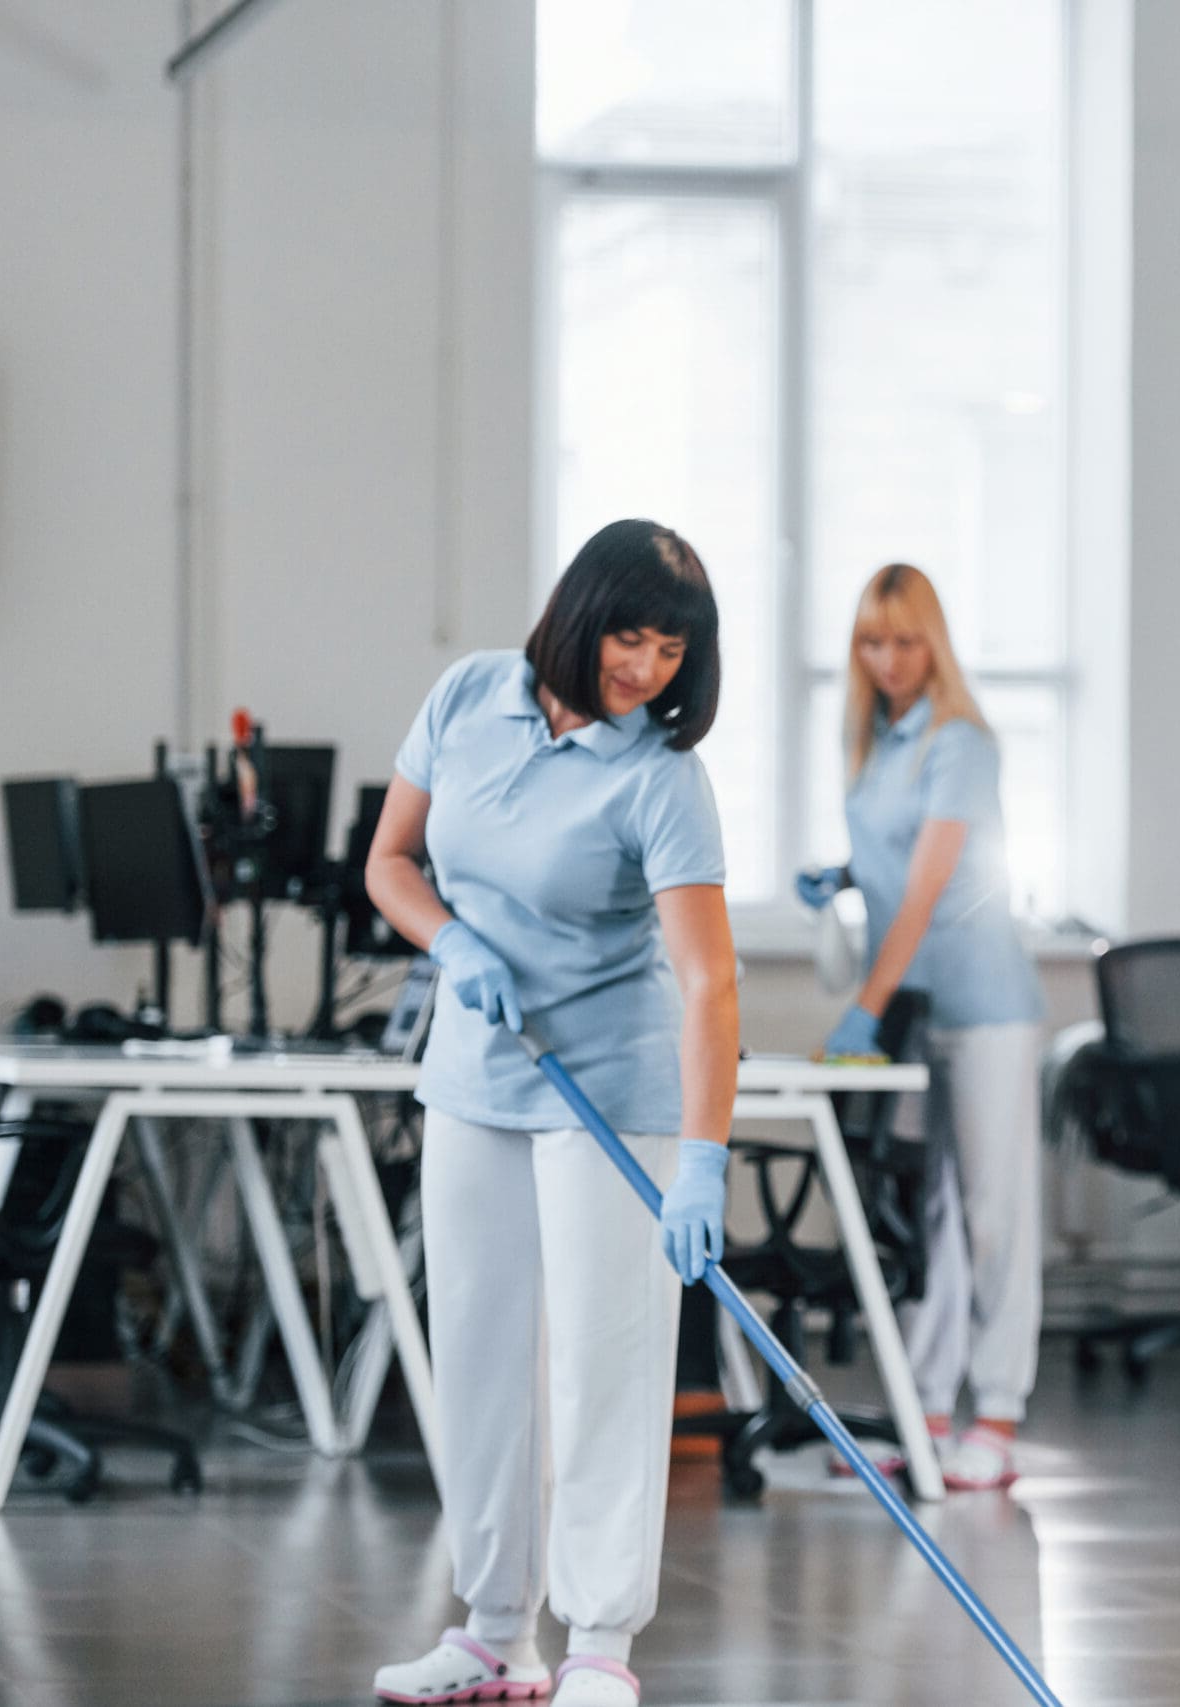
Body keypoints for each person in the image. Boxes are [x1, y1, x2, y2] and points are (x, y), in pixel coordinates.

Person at [364, 519, 740, 1707]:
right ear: (579, 616)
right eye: (630, 635)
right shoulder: (468, 696)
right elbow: (390, 863)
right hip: (476, 1075)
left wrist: (704, 1159)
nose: (644, 667)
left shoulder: (660, 779)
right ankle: (489, 1634)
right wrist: (450, 938)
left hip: (608, 1096)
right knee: (477, 1353)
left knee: (601, 1364)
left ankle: (597, 1649)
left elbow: (709, 979)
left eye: (671, 650)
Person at [798, 562, 1046, 1492]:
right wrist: (844, 876)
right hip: (919, 1012)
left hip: (984, 1008)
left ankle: (1000, 1414)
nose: (889, 658)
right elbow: (900, 864)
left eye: (906, 640)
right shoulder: (881, 740)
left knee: (993, 1216)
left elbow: (938, 883)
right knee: (934, 1215)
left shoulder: (961, 742)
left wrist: (863, 1005)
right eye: (872, 641)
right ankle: (925, 1409)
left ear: (932, 642)